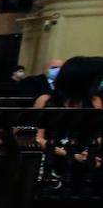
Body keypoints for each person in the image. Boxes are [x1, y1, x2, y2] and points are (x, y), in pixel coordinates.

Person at [33, 56, 103, 186]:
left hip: (85, 155)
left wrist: (89, 152)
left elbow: (98, 134)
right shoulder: (46, 100)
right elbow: (38, 138)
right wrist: (72, 155)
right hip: (54, 154)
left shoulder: (95, 101)